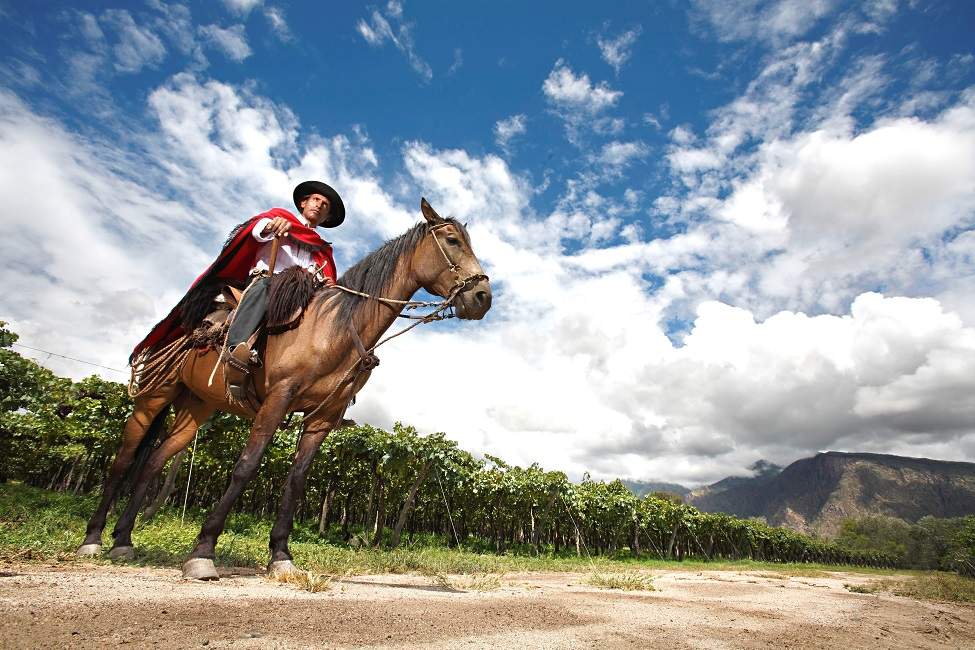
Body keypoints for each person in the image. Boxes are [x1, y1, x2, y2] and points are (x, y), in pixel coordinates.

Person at [131, 181, 345, 399]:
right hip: (267, 283)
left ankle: (330, 387)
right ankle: (236, 349)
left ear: (326, 218)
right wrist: (271, 226)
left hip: (299, 296)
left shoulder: (322, 247)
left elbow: (325, 276)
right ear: (303, 203)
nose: (319, 205)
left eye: (325, 205)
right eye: (316, 200)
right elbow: (256, 231)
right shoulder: (278, 218)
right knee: (266, 286)